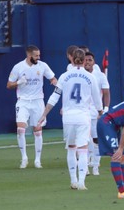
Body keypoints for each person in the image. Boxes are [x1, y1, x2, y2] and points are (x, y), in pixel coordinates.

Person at [38, 48, 103, 190]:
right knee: (83, 149)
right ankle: (82, 182)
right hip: (83, 117)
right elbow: (97, 99)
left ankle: (73, 180)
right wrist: (100, 111)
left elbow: (54, 97)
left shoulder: (64, 76)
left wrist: (44, 114)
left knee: (71, 149)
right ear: (84, 60)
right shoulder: (91, 77)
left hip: (68, 117)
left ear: (72, 60)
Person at [7, 45, 57, 169]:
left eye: (39, 55)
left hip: (38, 101)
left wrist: (55, 83)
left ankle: (37, 160)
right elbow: (9, 85)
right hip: (23, 101)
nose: (38, 57)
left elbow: (52, 78)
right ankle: (24, 158)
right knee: (20, 128)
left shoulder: (42, 66)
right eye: (36, 55)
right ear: (29, 56)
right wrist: (18, 82)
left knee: (37, 129)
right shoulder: (18, 67)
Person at [84, 51, 110, 175]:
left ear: (94, 62)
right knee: (84, 139)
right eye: (86, 60)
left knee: (96, 139)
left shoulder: (100, 76)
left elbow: (106, 93)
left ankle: (95, 166)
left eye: (90, 60)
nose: (88, 62)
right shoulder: (79, 74)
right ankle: (86, 165)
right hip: (82, 112)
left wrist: (105, 108)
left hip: (96, 112)